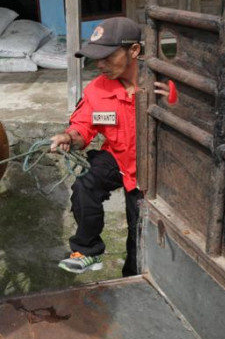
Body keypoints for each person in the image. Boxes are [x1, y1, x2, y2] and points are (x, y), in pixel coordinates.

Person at [50, 17, 172, 277]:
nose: (100, 64)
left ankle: (134, 278)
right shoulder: (97, 90)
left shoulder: (164, 81)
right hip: (118, 158)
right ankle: (88, 251)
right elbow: (83, 127)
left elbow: (195, 118)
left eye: (107, 56)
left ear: (134, 51)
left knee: (138, 229)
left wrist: (174, 101)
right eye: (96, 57)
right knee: (84, 186)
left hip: (155, 168)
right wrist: (69, 137)